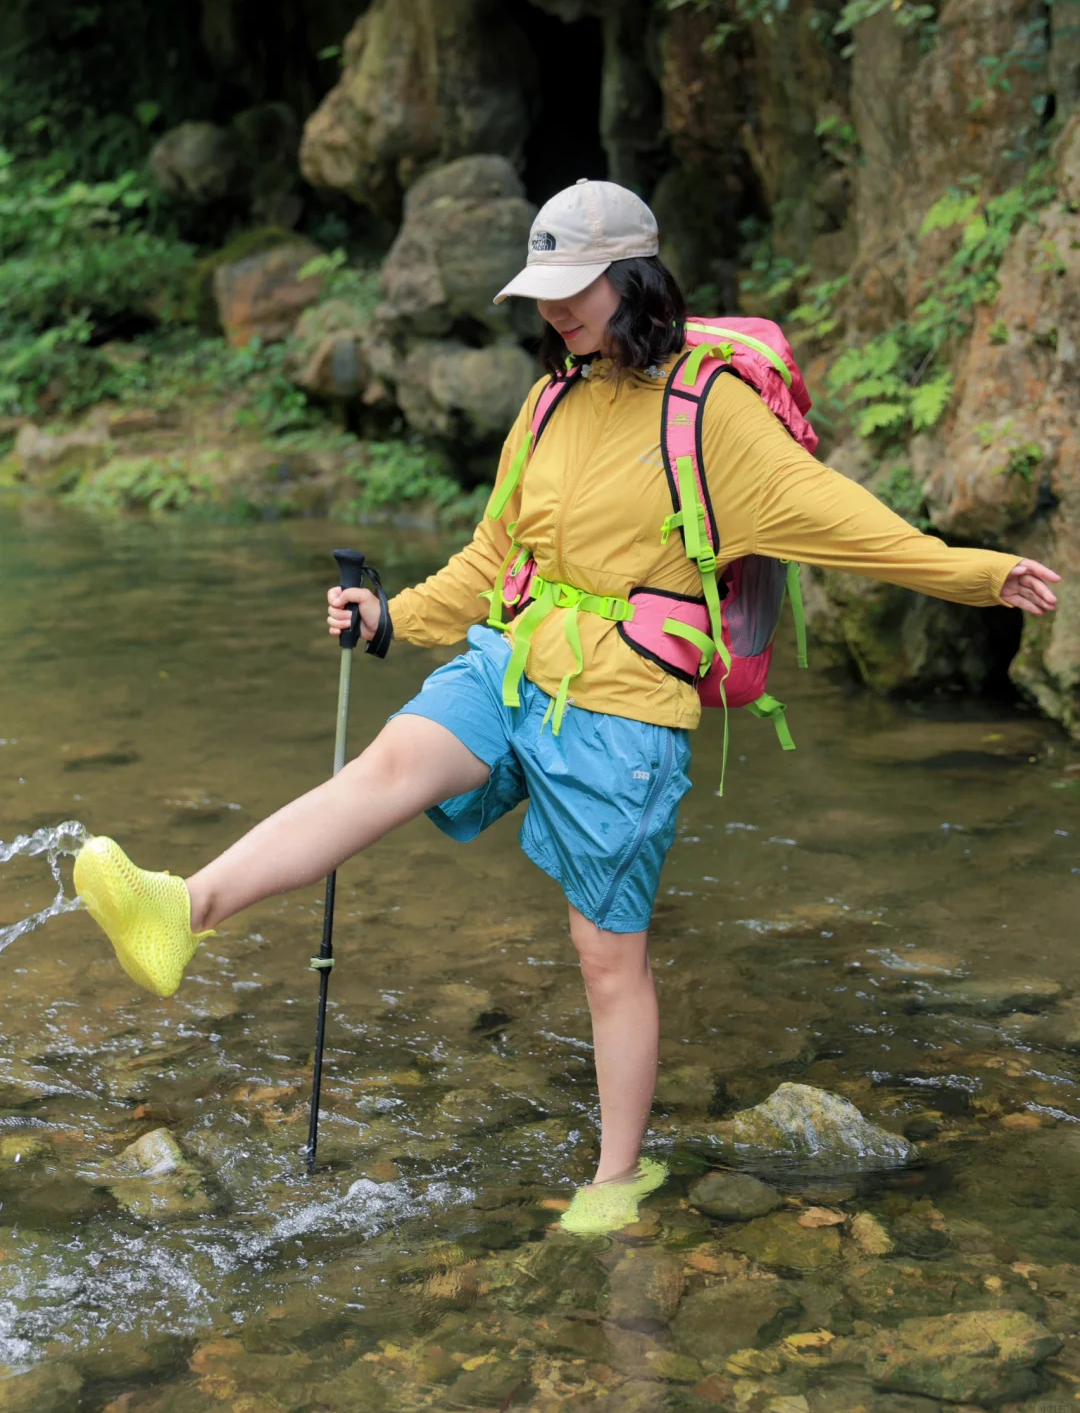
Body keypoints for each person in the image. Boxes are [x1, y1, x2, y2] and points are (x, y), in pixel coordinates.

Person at [74, 179, 1060, 1234]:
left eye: (572, 288)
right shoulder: (549, 403)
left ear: (632, 277)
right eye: (542, 291)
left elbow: (838, 519)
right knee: (387, 767)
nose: (552, 311)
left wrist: (974, 572)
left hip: (627, 703)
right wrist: (390, 620)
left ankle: (617, 1172)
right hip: (514, 663)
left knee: (606, 952)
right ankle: (183, 911)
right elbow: (494, 556)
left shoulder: (710, 409)